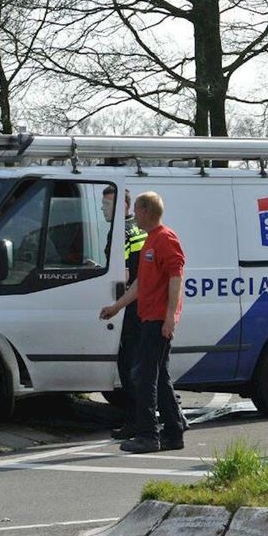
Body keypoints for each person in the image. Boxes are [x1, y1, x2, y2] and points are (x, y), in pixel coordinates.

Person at [99, 191, 187, 453]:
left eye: (136, 211)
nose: (133, 215)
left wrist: (170, 316)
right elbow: (140, 283)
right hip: (147, 317)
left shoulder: (166, 239)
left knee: (144, 375)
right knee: (158, 378)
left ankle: (149, 434)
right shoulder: (150, 240)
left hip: (159, 319)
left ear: (147, 211)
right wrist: (117, 307)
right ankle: (174, 432)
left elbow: (176, 278)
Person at [102, 186, 149, 440]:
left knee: (128, 365)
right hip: (138, 300)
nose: (102, 209)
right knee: (140, 365)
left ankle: (136, 421)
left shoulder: (122, 232)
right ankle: (146, 417)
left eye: (107, 205)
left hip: (132, 302)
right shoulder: (136, 228)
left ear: (124, 207)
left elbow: (125, 272)